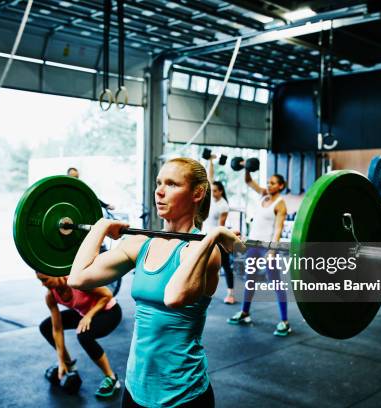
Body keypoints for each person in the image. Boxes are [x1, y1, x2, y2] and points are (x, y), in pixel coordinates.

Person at [68, 157, 242, 407]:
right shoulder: (141, 244)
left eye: (171, 184)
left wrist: (211, 236)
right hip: (135, 388)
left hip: (183, 394)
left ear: (197, 193)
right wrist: (101, 227)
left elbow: (174, 297)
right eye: (159, 182)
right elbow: (78, 277)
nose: (159, 191)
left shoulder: (205, 251)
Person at [227, 169, 292, 337]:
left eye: (273, 183)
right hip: (253, 245)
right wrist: (247, 167)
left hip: (267, 247)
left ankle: (285, 322)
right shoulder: (264, 195)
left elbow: (278, 229)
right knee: (250, 279)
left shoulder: (280, 204)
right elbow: (248, 181)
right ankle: (245, 313)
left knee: (275, 281)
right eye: (268, 182)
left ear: (281, 186)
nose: (269, 185)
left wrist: (272, 250)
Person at [37, 272, 122, 398]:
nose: (43, 285)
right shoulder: (51, 295)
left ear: (55, 274)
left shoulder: (76, 282)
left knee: (84, 335)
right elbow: (57, 329)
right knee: (46, 327)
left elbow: (107, 295)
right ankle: (68, 364)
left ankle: (112, 378)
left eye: (45, 280)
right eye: (41, 281)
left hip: (109, 312)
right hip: (84, 314)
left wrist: (89, 316)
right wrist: (61, 361)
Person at [204, 154, 236, 304]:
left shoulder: (223, 205)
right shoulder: (211, 197)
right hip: (205, 236)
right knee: (204, 264)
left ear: (221, 191)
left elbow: (221, 226)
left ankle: (230, 294)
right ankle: (203, 291)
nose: (213, 191)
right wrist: (211, 161)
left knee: (225, 266)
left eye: (215, 190)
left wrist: (216, 240)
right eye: (212, 190)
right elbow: (209, 178)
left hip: (217, 236)